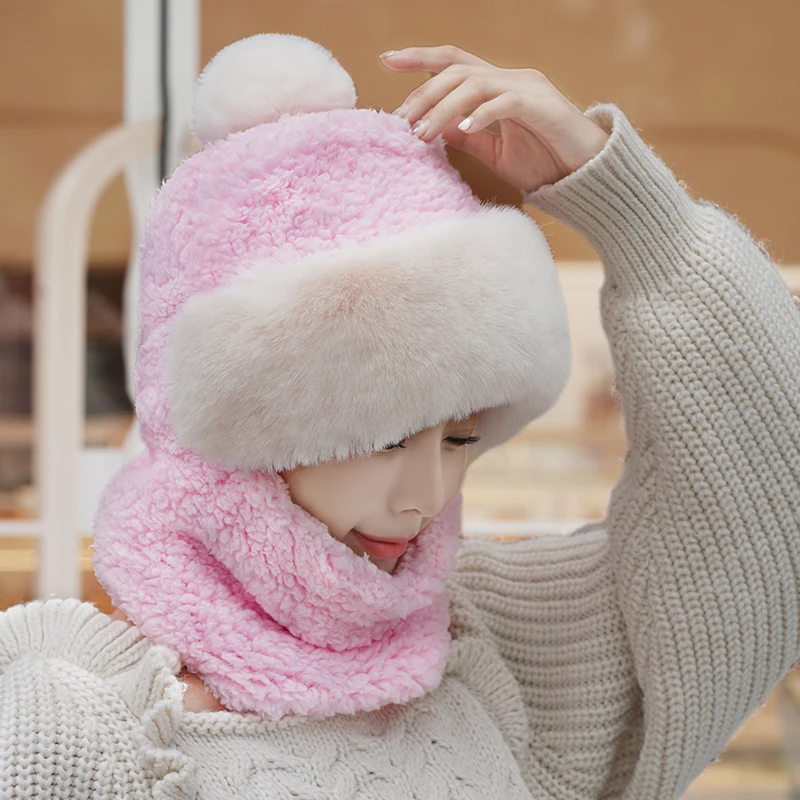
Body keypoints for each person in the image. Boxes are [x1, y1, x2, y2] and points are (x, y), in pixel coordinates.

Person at [1, 33, 798, 800]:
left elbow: (763, 531)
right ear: (240, 441)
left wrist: (637, 220)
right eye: (383, 439)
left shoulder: (489, 656)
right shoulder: (84, 728)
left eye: (460, 437)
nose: (425, 494)